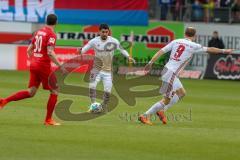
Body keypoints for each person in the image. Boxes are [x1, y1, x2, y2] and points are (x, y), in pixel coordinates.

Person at [139, 27, 233, 125]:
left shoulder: (176, 41)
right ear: (194, 36)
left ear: (185, 34)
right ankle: (145, 116)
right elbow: (211, 49)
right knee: (166, 100)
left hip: (168, 71)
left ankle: (161, 111)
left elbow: (160, 52)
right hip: (171, 74)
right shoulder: (193, 46)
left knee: (181, 93)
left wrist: (150, 63)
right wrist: (224, 51)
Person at [0, 14, 65, 126]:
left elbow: (29, 49)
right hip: (43, 66)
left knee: (31, 92)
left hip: (34, 64)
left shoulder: (38, 32)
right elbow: (50, 52)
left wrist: (35, 59)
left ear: (46, 21)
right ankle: (48, 120)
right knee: (55, 90)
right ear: (56, 22)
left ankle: (4, 100)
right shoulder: (51, 34)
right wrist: (60, 65)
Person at [77, 23, 135, 112]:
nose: (104, 34)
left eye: (106, 32)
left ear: (108, 32)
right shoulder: (94, 41)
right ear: (99, 32)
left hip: (108, 72)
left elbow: (122, 49)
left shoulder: (114, 41)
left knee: (107, 92)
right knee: (92, 86)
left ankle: (103, 106)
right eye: (103, 32)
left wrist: (129, 57)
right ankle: (93, 105)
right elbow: (83, 50)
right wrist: (80, 51)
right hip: (96, 69)